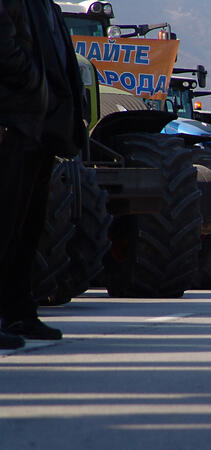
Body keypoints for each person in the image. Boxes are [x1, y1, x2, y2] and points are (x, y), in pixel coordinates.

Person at [0, 0, 85, 349]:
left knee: (26, 228)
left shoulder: (46, 5)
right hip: (14, 119)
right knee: (4, 223)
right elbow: (5, 45)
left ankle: (19, 310)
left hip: (41, 127)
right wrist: (34, 84)